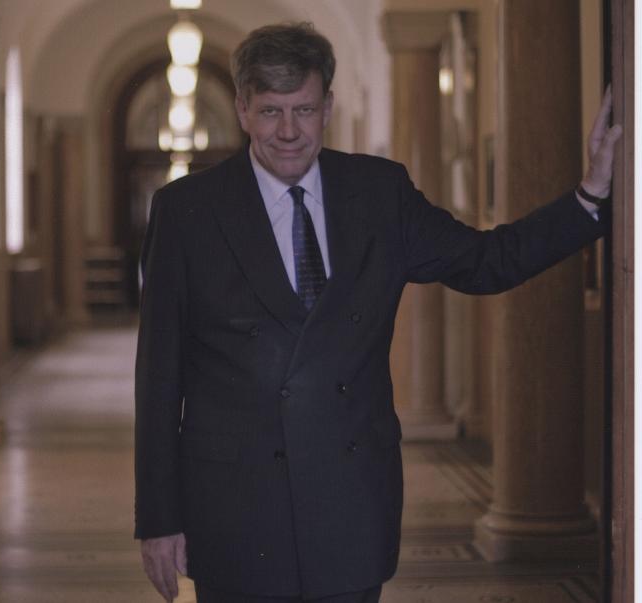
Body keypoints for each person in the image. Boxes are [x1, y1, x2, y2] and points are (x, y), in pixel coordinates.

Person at [134, 22, 621, 603]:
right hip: (236, 507)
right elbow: (159, 378)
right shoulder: (187, 211)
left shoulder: (380, 193)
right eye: (270, 112)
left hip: (350, 500)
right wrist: (159, 518)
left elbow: (487, 261)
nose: (289, 131)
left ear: (328, 107)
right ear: (241, 110)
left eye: (305, 110)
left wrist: (589, 196)